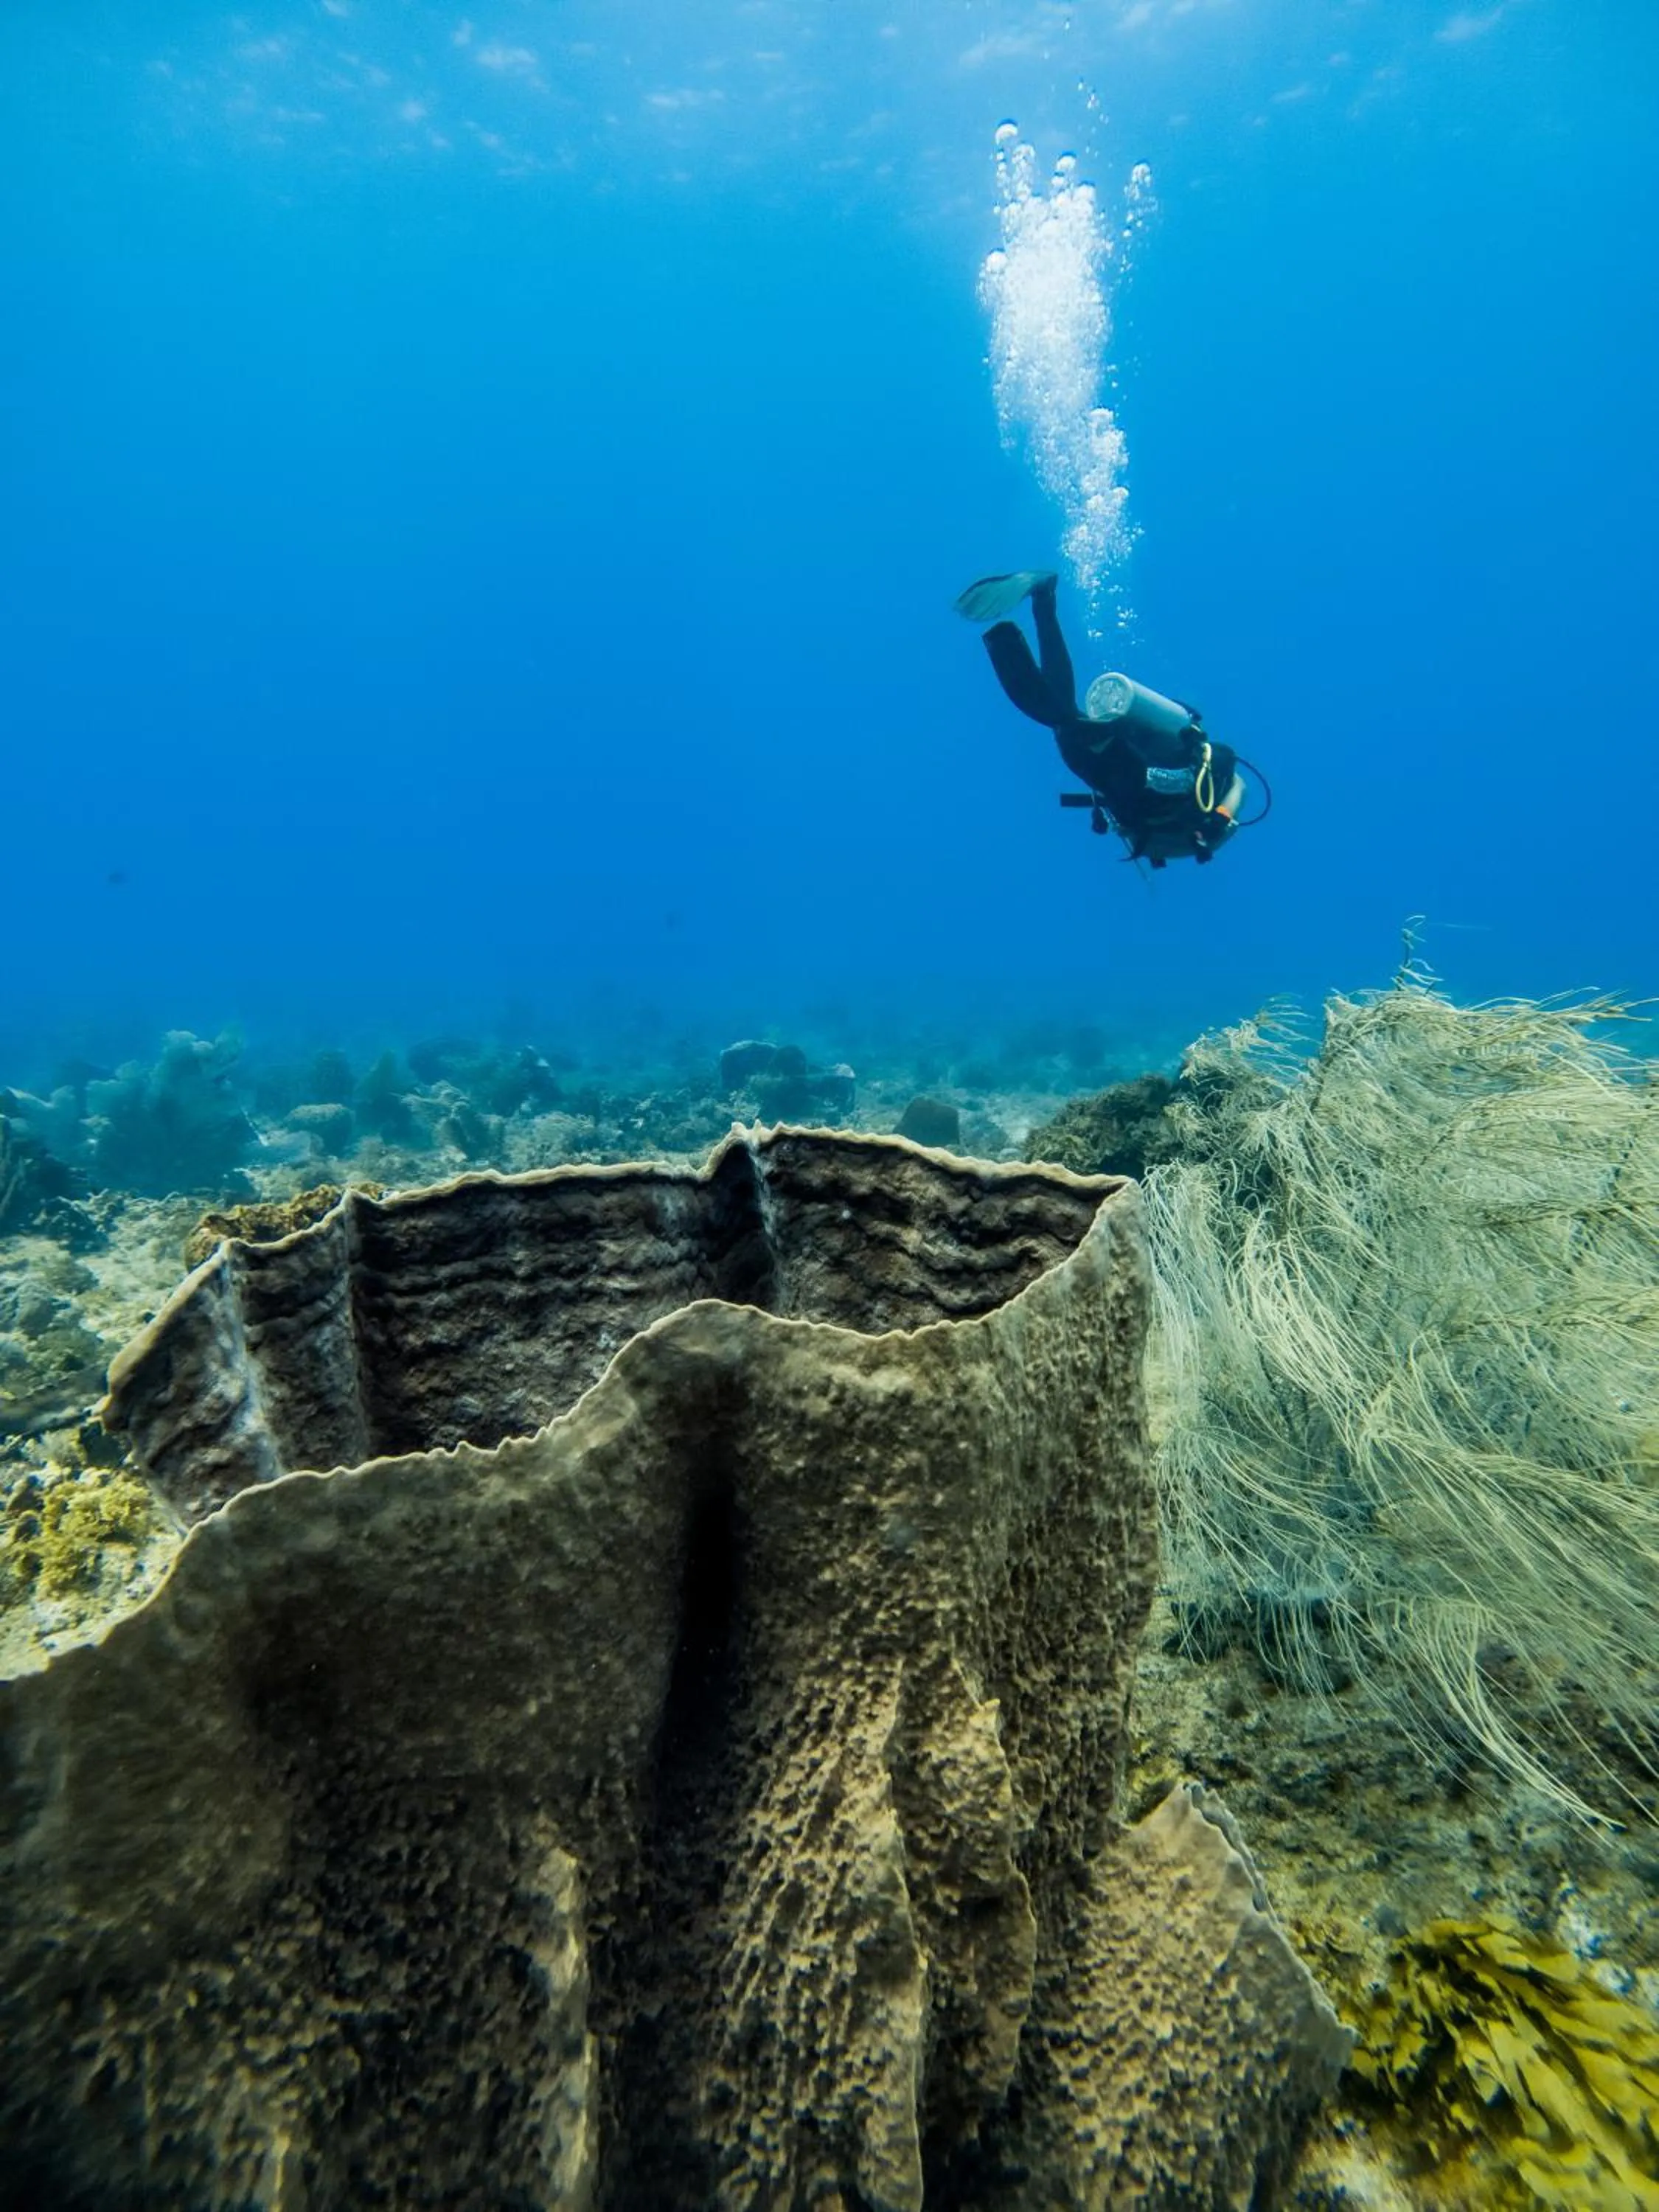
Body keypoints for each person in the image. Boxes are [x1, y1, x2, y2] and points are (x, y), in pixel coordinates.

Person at [956, 569, 1262, 867]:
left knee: (1063, 722)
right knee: (1064, 723)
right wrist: (1221, 818)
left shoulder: (1163, 844)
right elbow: (1236, 783)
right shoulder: (1202, 831)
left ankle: (1042, 599)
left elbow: (1126, 823)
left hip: (1122, 781)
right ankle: (1027, 616)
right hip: (1142, 776)